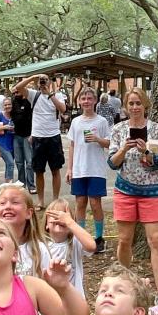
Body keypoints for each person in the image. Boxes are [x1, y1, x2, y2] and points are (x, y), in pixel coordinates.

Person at [108, 88, 158, 296]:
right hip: (125, 190)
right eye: (131, 103)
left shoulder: (156, 129)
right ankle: (124, 284)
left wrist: (146, 152)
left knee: (155, 241)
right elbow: (112, 163)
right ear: (125, 106)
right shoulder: (118, 130)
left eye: (138, 103)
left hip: (152, 192)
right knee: (124, 240)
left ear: (145, 106)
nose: (135, 107)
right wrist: (124, 149)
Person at [11, 73, 67, 208]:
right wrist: (33, 77)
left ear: (50, 82)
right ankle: (41, 201)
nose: (43, 82)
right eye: (41, 80)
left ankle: (55, 200)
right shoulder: (33, 94)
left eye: (45, 80)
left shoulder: (57, 95)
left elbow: (63, 109)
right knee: (39, 171)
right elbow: (17, 87)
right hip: (38, 137)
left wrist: (50, 93)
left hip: (53, 136)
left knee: (55, 170)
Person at [66, 85, 110, 254]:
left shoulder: (101, 121)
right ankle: (80, 237)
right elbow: (72, 145)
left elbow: (109, 143)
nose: (86, 101)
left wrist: (98, 139)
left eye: (89, 98)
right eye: (83, 98)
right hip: (79, 169)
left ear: (95, 101)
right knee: (80, 203)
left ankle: (99, 238)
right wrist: (70, 169)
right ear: (79, 101)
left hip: (96, 169)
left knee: (95, 203)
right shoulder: (76, 121)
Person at [0, 91, 16, 181]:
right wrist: (3, 127)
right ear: (3, 106)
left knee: (9, 163)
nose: (7, 107)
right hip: (1, 143)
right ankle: (9, 183)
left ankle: (7, 183)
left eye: (9, 104)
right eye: (5, 105)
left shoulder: (14, 115)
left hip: (12, 143)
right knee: (10, 163)